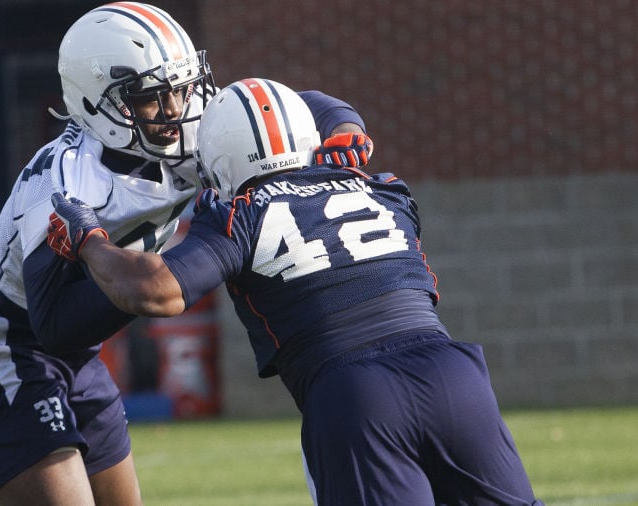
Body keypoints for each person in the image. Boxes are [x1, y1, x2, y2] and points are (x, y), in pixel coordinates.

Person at [0, 2, 371, 504]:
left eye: (180, 88)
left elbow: (303, 106)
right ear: (95, 104)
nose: (177, 110)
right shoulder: (69, 186)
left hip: (75, 351)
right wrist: (136, 283)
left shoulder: (193, 122)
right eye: (151, 98)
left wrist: (346, 130)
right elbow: (56, 325)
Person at [47, 77, 545, 506]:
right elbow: (327, 110)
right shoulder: (387, 189)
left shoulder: (239, 214)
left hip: (356, 393)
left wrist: (89, 241)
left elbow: (153, 292)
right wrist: (348, 128)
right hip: (454, 374)